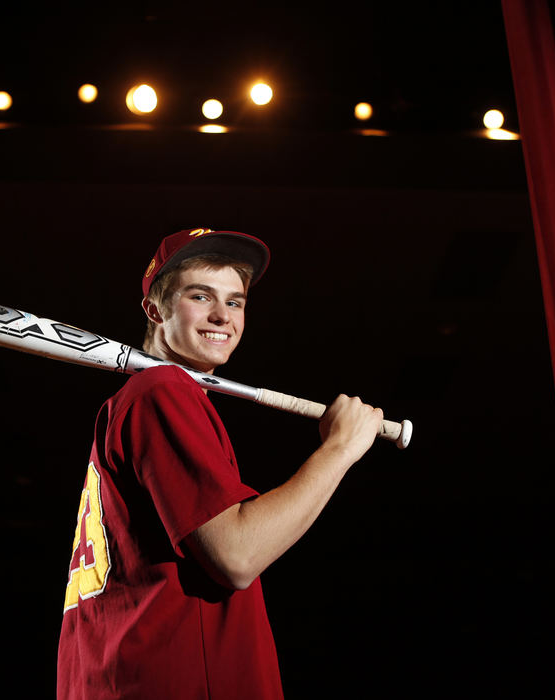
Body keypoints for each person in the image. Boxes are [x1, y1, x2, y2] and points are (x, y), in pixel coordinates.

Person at [56, 228, 383, 699]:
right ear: (155, 309)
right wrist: (339, 450)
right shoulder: (161, 391)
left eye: (235, 301)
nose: (221, 316)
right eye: (200, 295)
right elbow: (237, 555)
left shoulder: (141, 399)